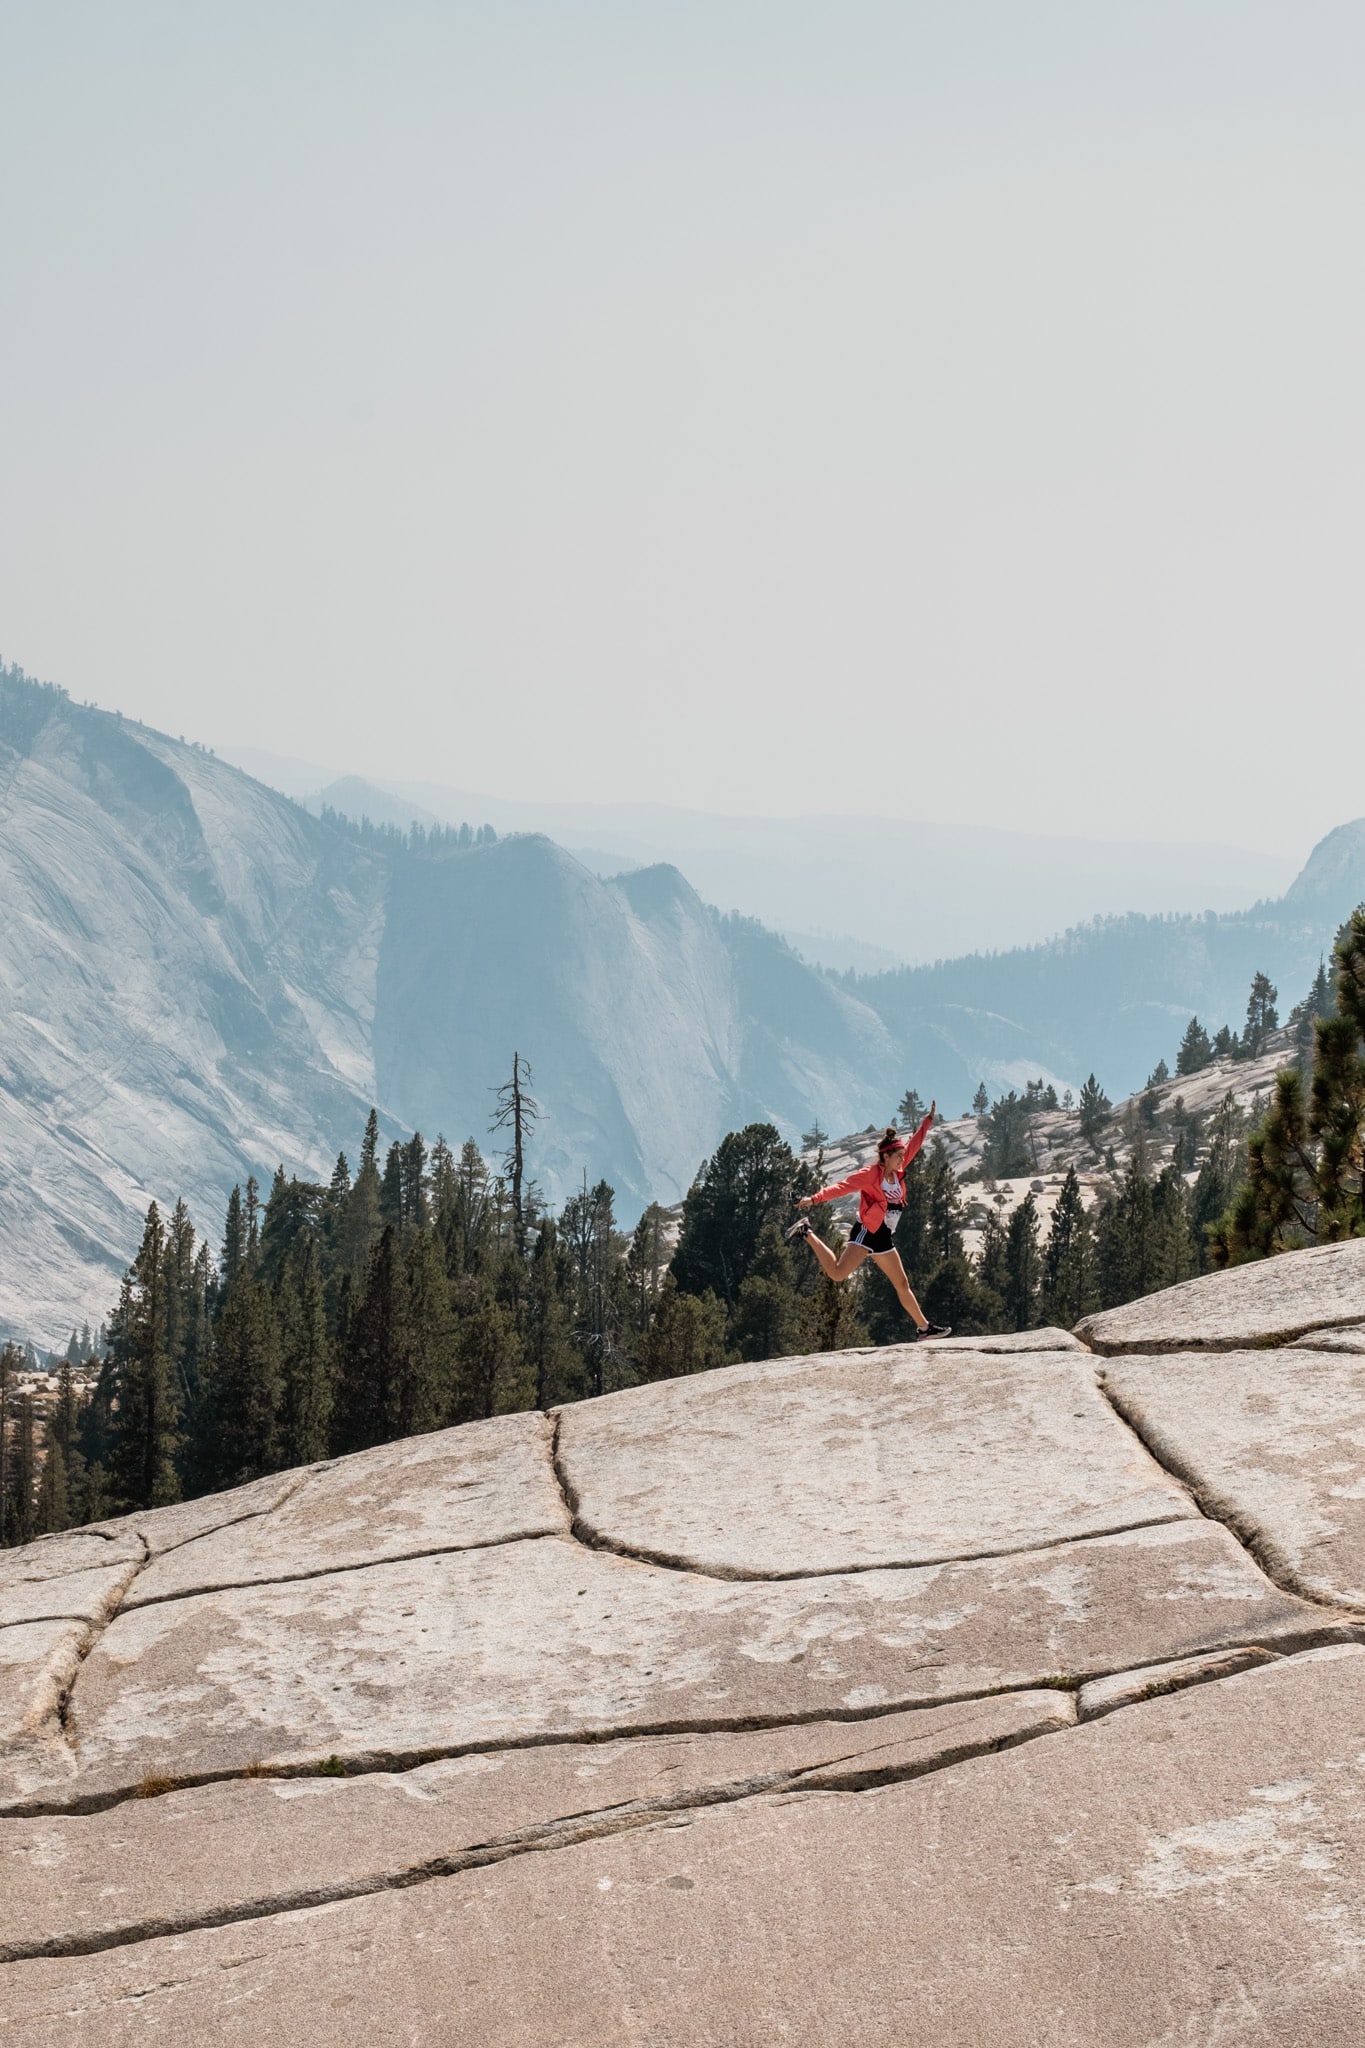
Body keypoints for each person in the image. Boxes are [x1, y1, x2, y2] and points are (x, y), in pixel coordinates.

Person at [787, 1111, 951, 1339]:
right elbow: (842, 1187)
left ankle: (924, 1329)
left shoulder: (898, 1173)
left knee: (902, 1284)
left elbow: (914, 1144)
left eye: (903, 1157)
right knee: (837, 1274)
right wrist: (813, 1199)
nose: (902, 1160)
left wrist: (928, 1121)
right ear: (885, 1157)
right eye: (898, 1157)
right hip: (867, 1232)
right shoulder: (870, 1175)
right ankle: (806, 1231)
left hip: (883, 1237)